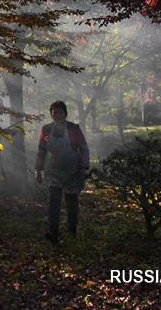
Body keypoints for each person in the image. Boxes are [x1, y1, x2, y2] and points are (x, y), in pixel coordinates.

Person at [35, 100, 89, 245]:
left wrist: (84, 168)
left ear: (65, 113)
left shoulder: (73, 128)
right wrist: (38, 170)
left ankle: (72, 232)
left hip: (73, 171)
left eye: (60, 112)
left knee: (72, 203)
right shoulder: (46, 129)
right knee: (53, 203)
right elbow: (42, 149)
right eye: (55, 112)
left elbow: (83, 148)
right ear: (51, 114)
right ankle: (53, 233)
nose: (57, 114)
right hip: (53, 171)